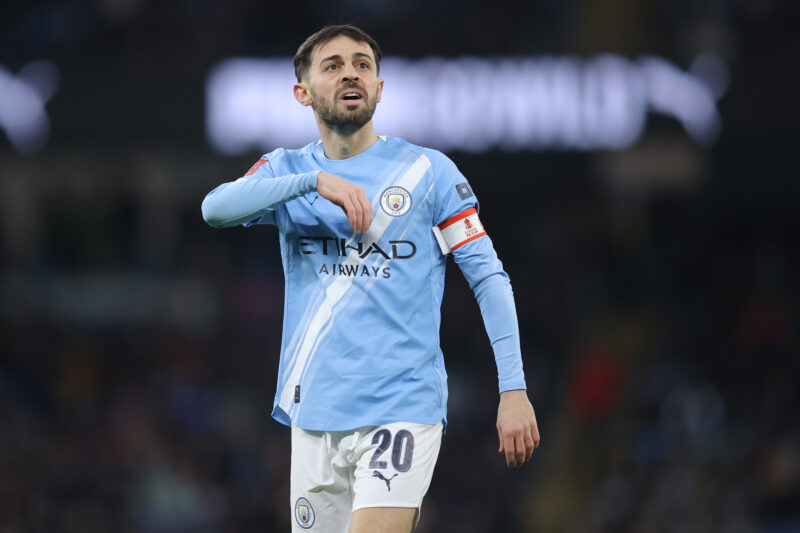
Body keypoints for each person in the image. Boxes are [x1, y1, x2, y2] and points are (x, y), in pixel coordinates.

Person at [201, 24, 540, 533]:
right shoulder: (285, 170)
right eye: (333, 65)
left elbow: (488, 276)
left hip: (401, 406)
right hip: (313, 411)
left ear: (379, 88)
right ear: (303, 92)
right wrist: (313, 182)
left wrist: (513, 388)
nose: (350, 73)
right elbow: (214, 209)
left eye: (362, 64)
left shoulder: (428, 172)